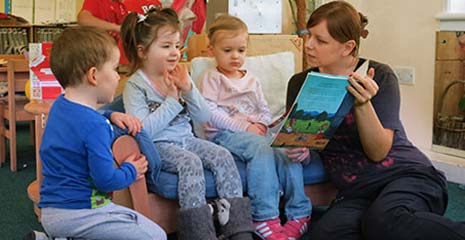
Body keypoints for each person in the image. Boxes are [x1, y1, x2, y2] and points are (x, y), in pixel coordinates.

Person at [285, 1, 465, 240]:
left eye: (320, 40)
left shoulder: (380, 75)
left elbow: (379, 152)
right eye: (308, 36)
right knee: (326, 235)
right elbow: (304, 142)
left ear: (348, 47)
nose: (308, 45)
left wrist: (362, 104)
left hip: (406, 176)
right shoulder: (299, 83)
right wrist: (298, 149)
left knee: (385, 220)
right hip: (356, 191)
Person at [120, 8, 254, 240]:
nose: (175, 52)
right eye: (166, 46)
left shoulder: (180, 74)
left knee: (222, 155)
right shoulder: (135, 86)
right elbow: (144, 132)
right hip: (160, 146)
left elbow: (203, 117)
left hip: (188, 140)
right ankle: (198, 232)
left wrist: (189, 89)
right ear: (142, 51)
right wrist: (172, 101)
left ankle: (237, 227)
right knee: (190, 163)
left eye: (176, 45)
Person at [34, 26, 166, 240]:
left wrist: (109, 115)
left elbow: (80, 120)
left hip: (51, 211)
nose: (117, 76)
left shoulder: (59, 106)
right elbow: (106, 180)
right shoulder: (95, 126)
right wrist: (132, 169)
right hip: (82, 212)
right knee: (155, 236)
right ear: (94, 75)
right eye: (114, 69)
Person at [199, 15, 312, 240]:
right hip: (225, 134)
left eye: (240, 50)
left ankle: (299, 212)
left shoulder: (252, 79)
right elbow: (209, 113)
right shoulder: (212, 77)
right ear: (212, 50)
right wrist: (245, 127)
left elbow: (263, 109)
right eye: (227, 50)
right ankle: (264, 217)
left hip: (256, 131)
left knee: (285, 147)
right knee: (260, 147)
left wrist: (262, 123)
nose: (235, 56)